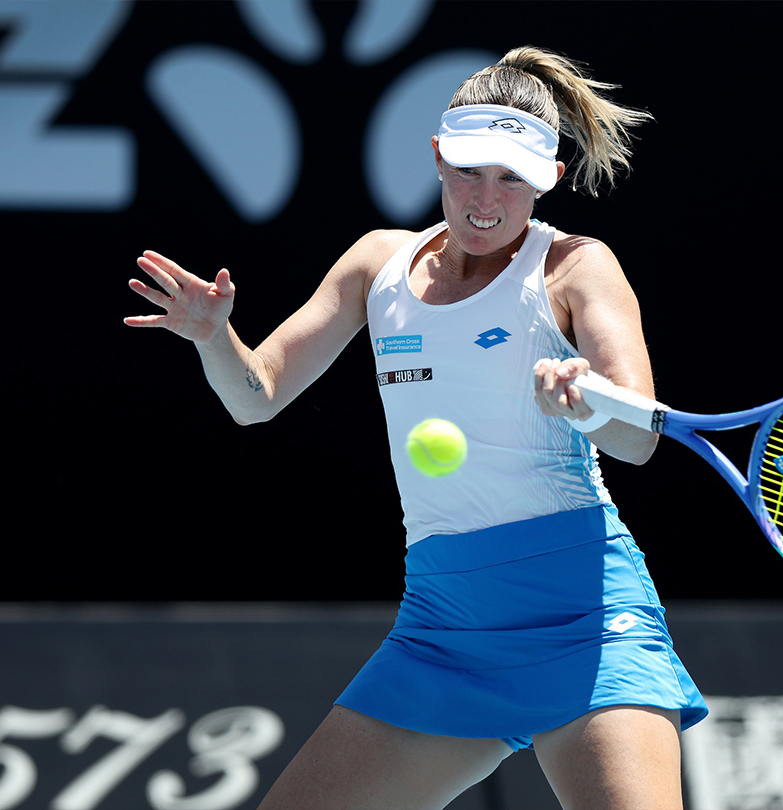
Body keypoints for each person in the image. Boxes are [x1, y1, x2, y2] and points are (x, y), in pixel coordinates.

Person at [126, 46, 707, 810]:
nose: (486, 199)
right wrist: (214, 338)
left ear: (549, 178)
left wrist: (585, 402)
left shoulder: (576, 266)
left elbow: (639, 437)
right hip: (444, 625)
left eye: (511, 178)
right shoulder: (378, 265)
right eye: (468, 171)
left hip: (586, 618)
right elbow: (255, 397)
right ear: (437, 155)